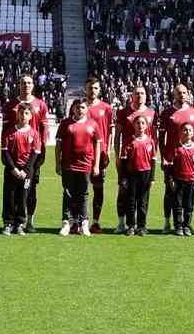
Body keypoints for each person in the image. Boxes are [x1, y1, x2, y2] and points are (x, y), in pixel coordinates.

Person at [55, 96, 99, 237]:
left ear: (86, 109)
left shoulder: (93, 124)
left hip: (86, 165)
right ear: (73, 108)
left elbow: (97, 144)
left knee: (84, 195)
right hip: (68, 165)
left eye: (82, 107)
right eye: (77, 107)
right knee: (68, 194)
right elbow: (58, 145)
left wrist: (96, 164)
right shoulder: (65, 123)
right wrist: (57, 163)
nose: (79, 109)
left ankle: (84, 223)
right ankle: (67, 223)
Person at [116, 85, 156, 236]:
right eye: (137, 93)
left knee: (143, 201)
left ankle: (142, 225)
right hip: (131, 172)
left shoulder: (152, 115)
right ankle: (129, 225)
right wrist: (120, 168)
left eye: (142, 93)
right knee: (130, 199)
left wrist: (152, 177)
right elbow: (118, 138)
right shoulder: (129, 141)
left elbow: (152, 158)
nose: (139, 95)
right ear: (131, 96)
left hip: (145, 172)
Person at [162, 84, 194, 230]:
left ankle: (185, 224)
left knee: (187, 195)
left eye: (184, 92)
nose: (182, 95)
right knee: (170, 192)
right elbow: (162, 137)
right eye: (179, 92)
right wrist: (163, 155)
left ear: (188, 94)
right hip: (172, 159)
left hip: (189, 158)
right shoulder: (167, 112)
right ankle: (167, 222)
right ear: (174, 94)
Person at [83, 79, 114, 234]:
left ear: (99, 90)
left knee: (98, 188)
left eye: (95, 88)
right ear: (85, 89)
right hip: (81, 155)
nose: (92, 90)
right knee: (81, 189)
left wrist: (108, 151)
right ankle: (80, 221)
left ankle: (95, 221)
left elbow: (110, 131)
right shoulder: (79, 107)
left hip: (99, 154)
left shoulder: (106, 108)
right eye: (90, 87)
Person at [2, 103, 38, 235]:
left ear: (31, 116)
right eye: (21, 113)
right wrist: (13, 169)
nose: (23, 116)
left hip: (26, 172)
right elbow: (5, 153)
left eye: (27, 113)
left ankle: (20, 224)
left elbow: (35, 154)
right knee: (9, 197)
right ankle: (8, 223)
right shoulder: (10, 132)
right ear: (17, 114)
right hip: (12, 171)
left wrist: (25, 170)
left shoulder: (34, 133)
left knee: (23, 198)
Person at [166, 119, 194, 236]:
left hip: (191, 181)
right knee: (178, 205)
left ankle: (187, 225)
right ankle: (178, 226)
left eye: (190, 130)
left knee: (189, 205)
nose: (187, 132)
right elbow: (170, 166)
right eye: (185, 130)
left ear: (193, 133)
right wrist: (170, 179)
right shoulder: (176, 148)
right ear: (180, 132)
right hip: (178, 181)